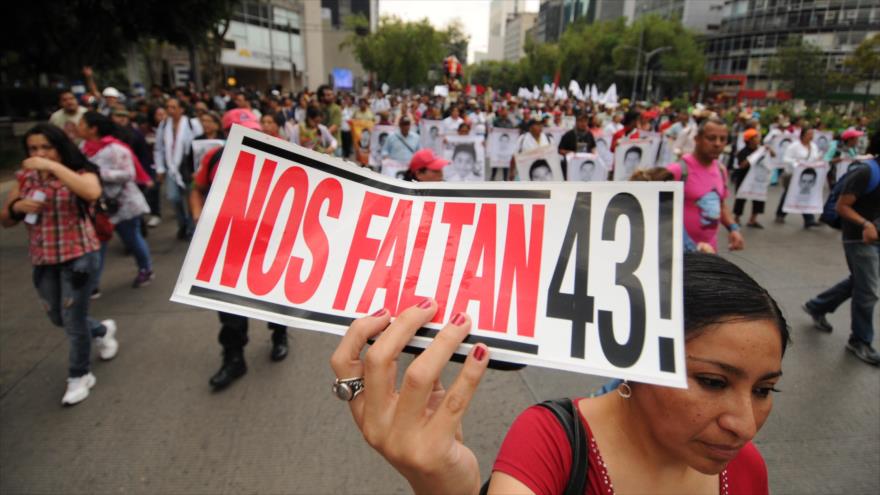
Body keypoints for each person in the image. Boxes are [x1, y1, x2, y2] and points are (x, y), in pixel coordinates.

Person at [330, 252, 789, 494]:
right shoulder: (550, 444)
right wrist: (443, 488)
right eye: (713, 382)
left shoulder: (748, 468)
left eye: (765, 389)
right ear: (635, 359)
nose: (744, 425)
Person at [1, 123, 118, 406]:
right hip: (44, 259)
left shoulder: (79, 171)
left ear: (59, 147)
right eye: (33, 149)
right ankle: (101, 331)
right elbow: (5, 218)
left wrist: (53, 168)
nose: (39, 153)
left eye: (46, 147)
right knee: (57, 316)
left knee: (73, 320)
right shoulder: (25, 178)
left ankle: (79, 376)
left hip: (79, 256)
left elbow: (91, 193)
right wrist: (18, 207)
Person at [189, 111, 290, 390]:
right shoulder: (213, 159)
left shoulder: (275, 156)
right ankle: (234, 358)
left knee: (272, 293)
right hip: (227, 243)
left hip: (266, 241)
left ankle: (279, 334)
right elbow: (197, 189)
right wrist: (198, 215)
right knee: (228, 304)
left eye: (252, 130)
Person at [803, 131, 879, 365]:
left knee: (859, 281)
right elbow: (842, 206)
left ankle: (817, 306)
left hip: (876, 239)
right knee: (868, 291)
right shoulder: (867, 171)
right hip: (859, 239)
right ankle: (859, 340)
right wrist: (865, 224)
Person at [78, 111, 154, 289]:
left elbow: (129, 174)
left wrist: (98, 174)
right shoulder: (83, 148)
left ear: (93, 128)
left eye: (82, 124)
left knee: (132, 238)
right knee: (99, 242)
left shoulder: (115, 149)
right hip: (99, 204)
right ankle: (93, 283)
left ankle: (146, 268)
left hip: (123, 202)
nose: (78, 127)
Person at [665, 117, 744, 252]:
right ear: (697, 139)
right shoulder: (678, 170)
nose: (717, 144)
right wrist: (687, 243)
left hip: (709, 252)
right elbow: (660, 212)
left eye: (722, 139)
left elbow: (721, 204)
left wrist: (733, 228)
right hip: (679, 253)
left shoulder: (721, 170)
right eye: (711, 138)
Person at [154, 97, 203, 240]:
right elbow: (159, 148)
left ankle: (190, 227)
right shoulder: (163, 125)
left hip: (187, 166)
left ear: (181, 109)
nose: (170, 110)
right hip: (171, 167)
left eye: (173, 107)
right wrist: (160, 168)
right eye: (168, 107)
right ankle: (182, 223)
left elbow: (199, 145)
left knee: (190, 198)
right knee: (173, 197)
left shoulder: (191, 124)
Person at [776, 126, 820, 228]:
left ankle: (809, 219)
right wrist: (797, 163)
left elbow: (815, 158)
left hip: (807, 175)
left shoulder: (813, 146)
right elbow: (786, 158)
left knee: (805, 195)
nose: (811, 136)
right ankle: (780, 214)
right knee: (789, 194)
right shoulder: (794, 146)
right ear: (803, 135)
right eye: (809, 134)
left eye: (812, 134)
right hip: (793, 174)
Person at [732, 129, 768, 228]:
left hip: (757, 178)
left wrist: (769, 151)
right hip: (744, 177)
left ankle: (753, 219)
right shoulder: (743, 152)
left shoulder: (761, 149)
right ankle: (736, 218)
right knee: (741, 198)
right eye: (755, 137)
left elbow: (772, 158)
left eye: (758, 137)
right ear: (749, 140)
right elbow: (742, 165)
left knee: (758, 198)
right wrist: (753, 157)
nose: (758, 139)